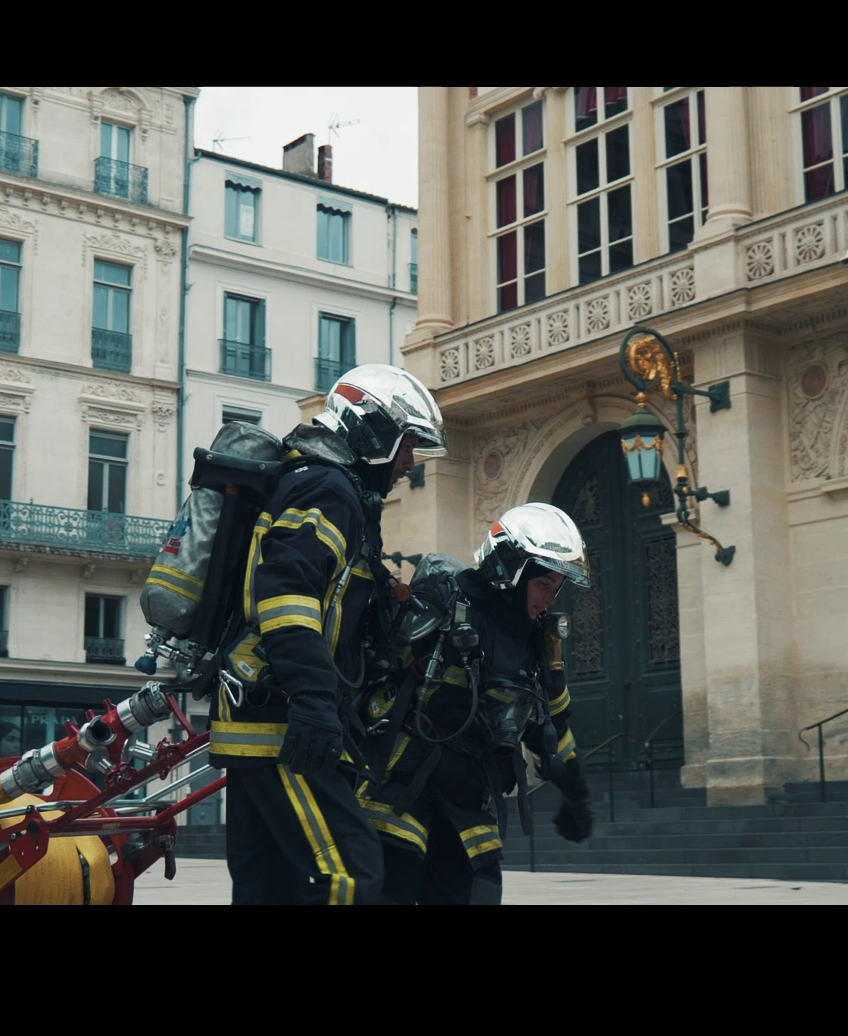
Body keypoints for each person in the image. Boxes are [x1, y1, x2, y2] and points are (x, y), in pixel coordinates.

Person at [207, 363, 446, 905]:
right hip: (282, 715)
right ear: (376, 432)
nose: (410, 462)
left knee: (268, 886)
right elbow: (286, 588)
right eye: (408, 445)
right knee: (350, 874)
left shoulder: (317, 485)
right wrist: (314, 698)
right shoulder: (330, 490)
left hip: (254, 711)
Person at [356, 503, 596, 905]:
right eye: (544, 585)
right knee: (391, 888)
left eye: (556, 588)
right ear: (512, 569)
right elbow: (371, 669)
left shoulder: (539, 644)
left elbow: (553, 727)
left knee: (477, 892)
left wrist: (577, 795)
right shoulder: (446, 602)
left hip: (470, 796)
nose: (550, 599)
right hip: (405, 785)